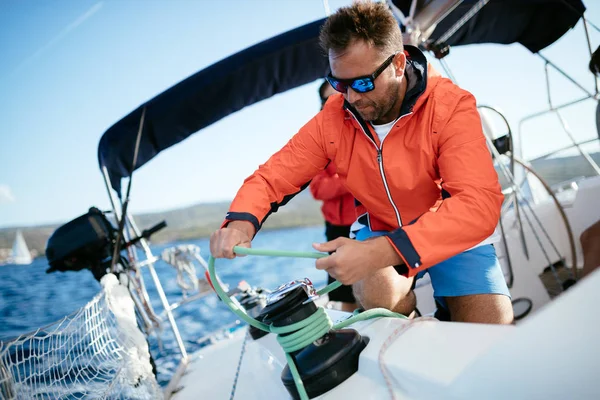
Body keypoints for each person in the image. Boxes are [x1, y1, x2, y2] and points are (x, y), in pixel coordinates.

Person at [210, 1, 513, 324]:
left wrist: (384, 251)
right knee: (377, 293)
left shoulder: (450, 105)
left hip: (449, 229)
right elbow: (273, 178)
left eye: (364, 83)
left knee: (493, 327)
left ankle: (446, 310)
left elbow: (477, 204)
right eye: (340, 84)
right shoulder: (333, 117)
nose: (351, 97)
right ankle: (410, 325)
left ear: (398, 64)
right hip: (381, 227)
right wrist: (240, 223)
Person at [310, 80, 359, 312]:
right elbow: (318, 188)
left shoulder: (363, 129)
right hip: (335, 226)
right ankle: (355, 334)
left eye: (339, 97)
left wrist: (338, 181)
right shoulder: (317, 141)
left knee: (369, 279)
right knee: (342, 287)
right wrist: (349, 179)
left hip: (364, 221)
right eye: (328, 99)